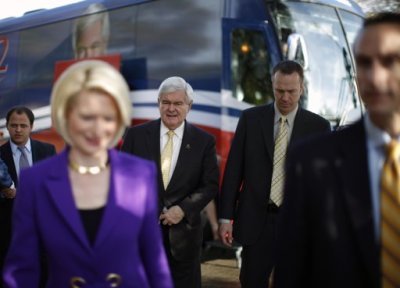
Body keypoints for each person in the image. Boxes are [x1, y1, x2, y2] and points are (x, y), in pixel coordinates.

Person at [3, 60, 173, 288]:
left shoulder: (140, 175)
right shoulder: (36, 182)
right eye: (86, 116)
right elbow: (22, 272)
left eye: (108, 116)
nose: (97, 128)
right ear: (66, 117)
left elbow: (155, 263)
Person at [274, 12, 400, 288]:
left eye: (391, 61)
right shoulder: (309, 161)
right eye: (365, 63)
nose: (375, 76)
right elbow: (292, 272)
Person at [218, 60, 331, 287]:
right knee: (251, 282)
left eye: (291, 91)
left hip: (297, 224)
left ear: (302, 88)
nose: (285, 97)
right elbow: (234, 170)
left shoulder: (319, 127)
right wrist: (224, 218)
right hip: (256, 223)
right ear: (272, 86)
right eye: (280, 90)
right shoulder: (250, 119)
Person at [121, 76, 219, 288]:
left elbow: (210, 184)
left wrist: (183, 209)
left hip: (184, 240)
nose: (171, 108)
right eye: (166, 102)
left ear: (189, 106)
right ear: (158, 103)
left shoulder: (204, 141)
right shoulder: (135, 136)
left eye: (178, 103)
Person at [0, 106, 56, 284]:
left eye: (23, 126)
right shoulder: (0, 156)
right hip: (8, 234)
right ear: (7, 127)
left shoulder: (48, 151)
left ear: (31, 126)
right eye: (13, 125)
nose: (18, 130)